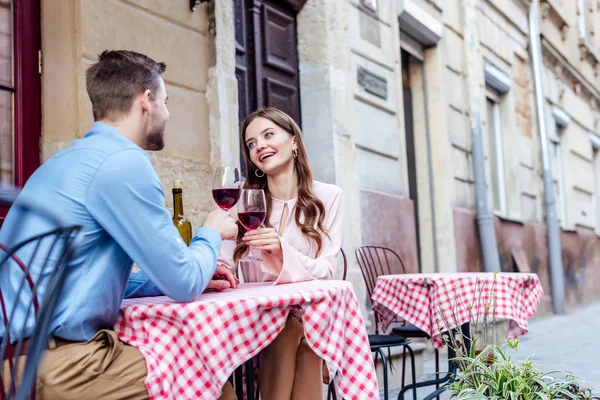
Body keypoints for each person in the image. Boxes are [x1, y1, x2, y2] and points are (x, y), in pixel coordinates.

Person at [0, 50, 238, 400]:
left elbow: (77, 281)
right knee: (206, 372)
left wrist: (164, 280)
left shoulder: (63, 161)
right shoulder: (124, 163)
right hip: (60, 365)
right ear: (146, 100)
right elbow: (185, 282)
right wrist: (211, 232)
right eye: (166, 101)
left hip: (17, 357)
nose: (167, 113)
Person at [219, 107, 344, 400]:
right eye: (251, 143)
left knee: (304, 337)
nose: (259, 145)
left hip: (308, 317)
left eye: (268, 134)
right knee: (289, 328)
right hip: (250, 319)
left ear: (294, 142)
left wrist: (281, 251)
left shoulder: (328, 197)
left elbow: (327, 270)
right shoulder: (240, 200)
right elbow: (222, 262)